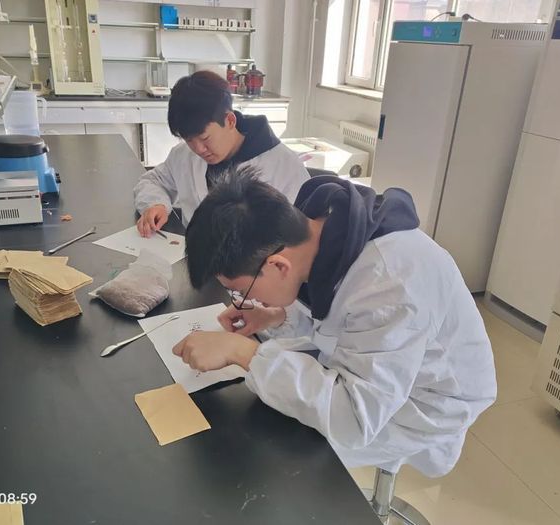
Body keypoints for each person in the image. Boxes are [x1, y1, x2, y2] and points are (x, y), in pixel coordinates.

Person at [173, 171, 497, 476]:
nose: (245, 299)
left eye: (241, 290)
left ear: (277, 265)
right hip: (387, 372)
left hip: (429, 400)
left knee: (279, 459)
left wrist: (243, 352)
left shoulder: (388, 284)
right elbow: (336, 314)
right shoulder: (315, 232)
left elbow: (353, 420)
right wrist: (277, 315)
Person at [134, 71, 309, 237]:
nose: (199, 149)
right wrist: (156, 204)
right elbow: (152, 181)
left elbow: (303, 235)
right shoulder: (183, 155)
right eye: (189, 140)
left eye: (205, 138)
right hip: (191, 253)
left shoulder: (285, 167)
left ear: (230, 120)